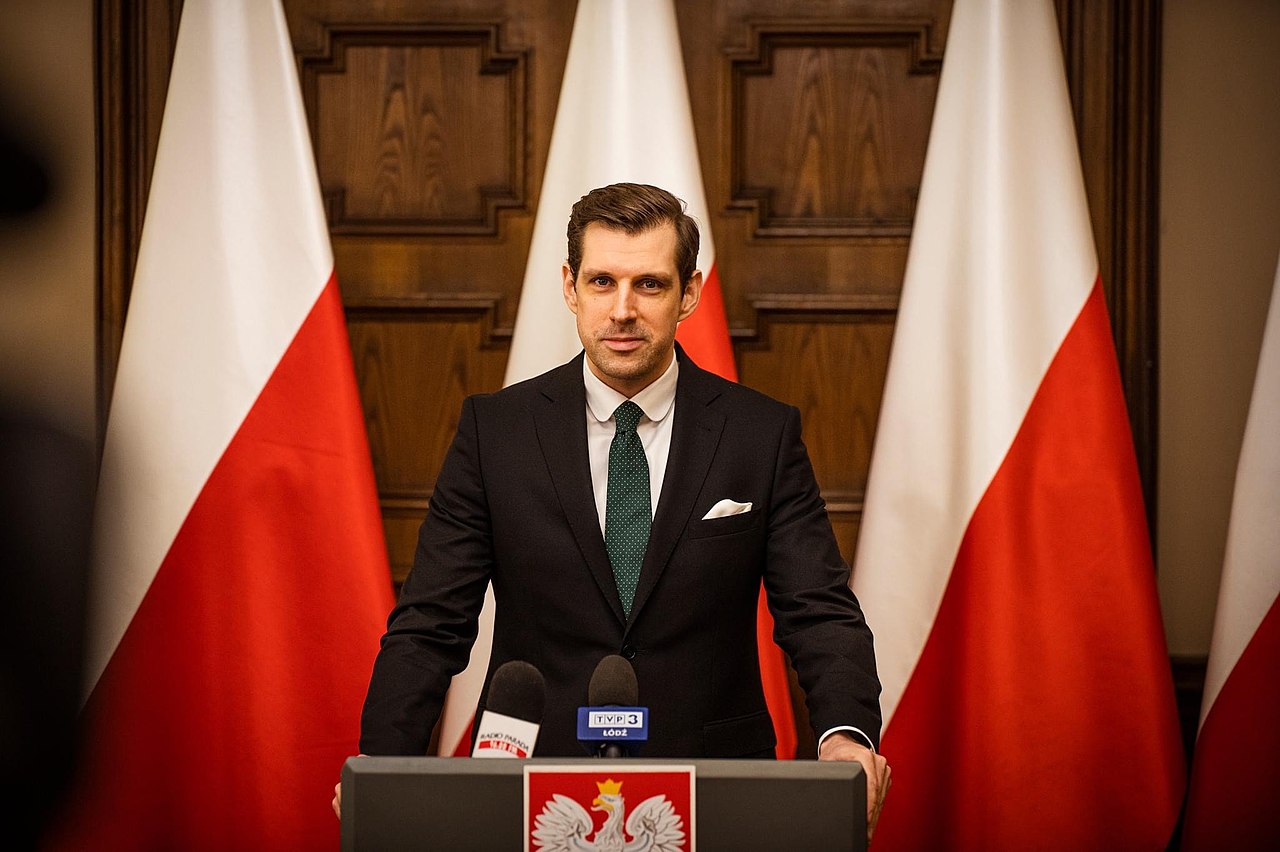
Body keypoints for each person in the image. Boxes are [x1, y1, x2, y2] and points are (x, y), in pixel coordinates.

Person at [353, 183, 890, 835]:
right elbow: (431, 621)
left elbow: (819, 611)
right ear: (570, 287)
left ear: (688, 292)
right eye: (602, 281)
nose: (623, 310)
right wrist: (382, 767)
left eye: (650, 285)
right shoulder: (495, 432)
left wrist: (846, 734)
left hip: (716, 785)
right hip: (530, 787)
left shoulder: (759, 435)